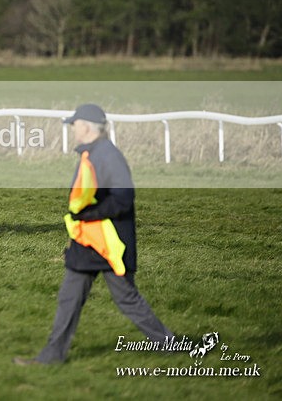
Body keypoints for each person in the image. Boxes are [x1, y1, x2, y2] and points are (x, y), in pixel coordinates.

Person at [14, 104, 174, 365]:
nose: (73, 129)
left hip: (110, 245)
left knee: (127, 299)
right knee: (69, 298)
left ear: (87, 127)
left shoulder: (108, 155)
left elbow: (123, 199)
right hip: (87, 243)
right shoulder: (93, 152)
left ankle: (170, 345)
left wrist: (88, 215)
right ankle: (52, 356)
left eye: (75, 124)